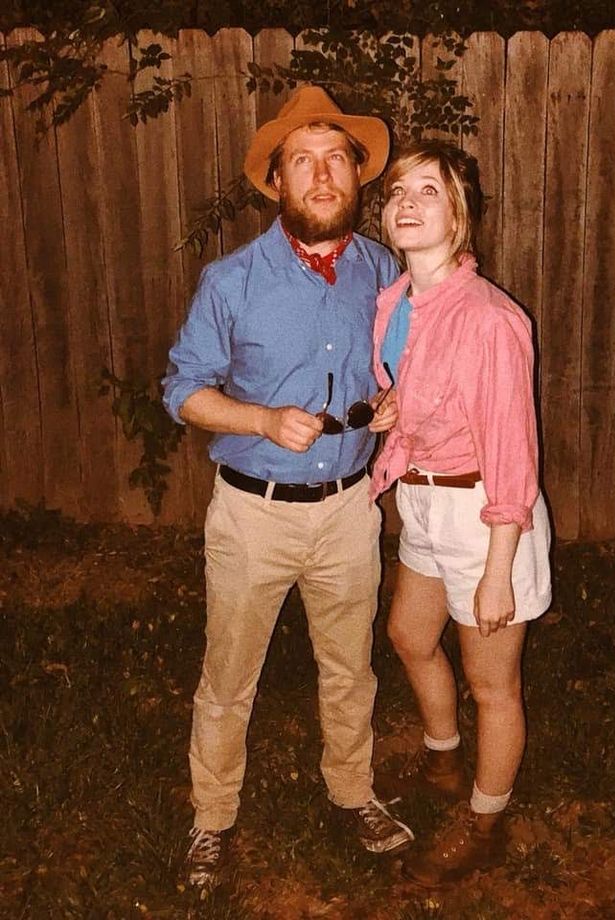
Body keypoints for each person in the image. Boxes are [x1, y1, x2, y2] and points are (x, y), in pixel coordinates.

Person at [163, 85, 414, 891]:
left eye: (334, 157)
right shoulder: (231, 281)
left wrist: (394, 399)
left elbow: (410, 357)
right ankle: (211, 818)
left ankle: (354, 791)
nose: (320, 174)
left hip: (348, 511)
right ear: (276, 182)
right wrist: (263, 420)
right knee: (228, 676)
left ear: (356, 175)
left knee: (350, 668)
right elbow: (183, 391)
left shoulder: (382, 270)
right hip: (252, 514)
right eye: (300, 161)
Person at [370, 140, 552, 887]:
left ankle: (484, 818)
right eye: (396, 192)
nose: (406, 203)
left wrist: (499, 573)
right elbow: (423, 391)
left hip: (486, 514)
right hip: (422, 501)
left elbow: (513, 449)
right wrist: (397, 411)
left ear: (459, 215)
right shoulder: (395, 302)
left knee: (493, 685)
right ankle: (444, 759)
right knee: (409, 635)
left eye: (429, 192)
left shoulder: (490, 319)